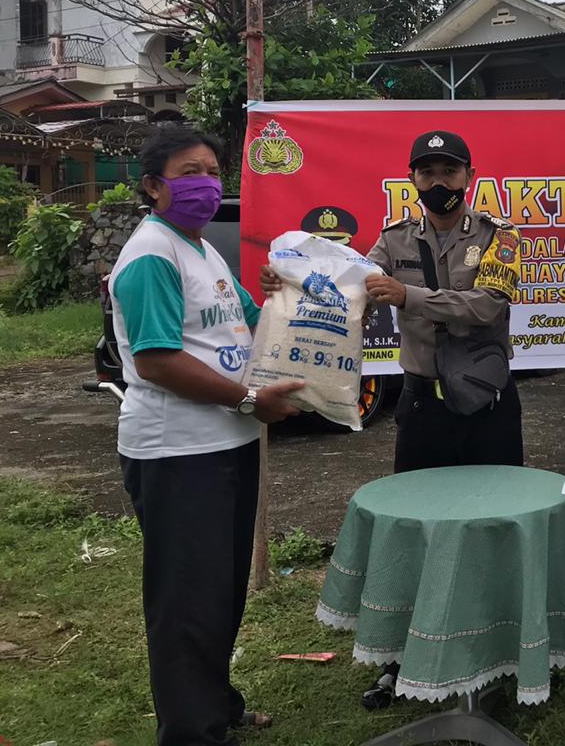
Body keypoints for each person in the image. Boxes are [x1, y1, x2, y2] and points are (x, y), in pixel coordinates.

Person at [264, 129, 524, 709]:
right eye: (427, 171)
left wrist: (407, 296)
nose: (438, 181)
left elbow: (487, 307)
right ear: (413, 179)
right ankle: (403, 657)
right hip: (423, 406)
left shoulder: (501, 238)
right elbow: (345, 287)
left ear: (469, 175)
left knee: (494, 525)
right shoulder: (392, 240)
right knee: (416, 528)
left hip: (487, 407)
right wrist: (288, 282)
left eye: (449, 170)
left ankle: (498, 653)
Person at [111, 125, 304, 746]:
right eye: (190, 172)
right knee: (187, 599)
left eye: (213, 172)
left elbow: (246, 323)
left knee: (218, 589)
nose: (207, 184)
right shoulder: (151, 255)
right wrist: (248, 399)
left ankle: (215, 705)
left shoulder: (200, 250)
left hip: (225, 443)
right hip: (179, 451)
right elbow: (157, 360)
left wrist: (288, 301)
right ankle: (192, 732)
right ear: (152, 186)